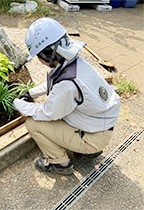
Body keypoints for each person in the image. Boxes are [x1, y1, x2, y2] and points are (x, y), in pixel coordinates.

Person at [13, 18, 120, 175]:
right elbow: (56, 85)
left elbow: (48, 112)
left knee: (33, 124)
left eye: (38, 55)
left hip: (93, 137)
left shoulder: (67, 85)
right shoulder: (75, 63)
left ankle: (59, 163)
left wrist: (19, 104)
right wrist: (31, 93)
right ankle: (87, 151)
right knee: (61, 111)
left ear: (47, 54)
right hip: (100, 126)